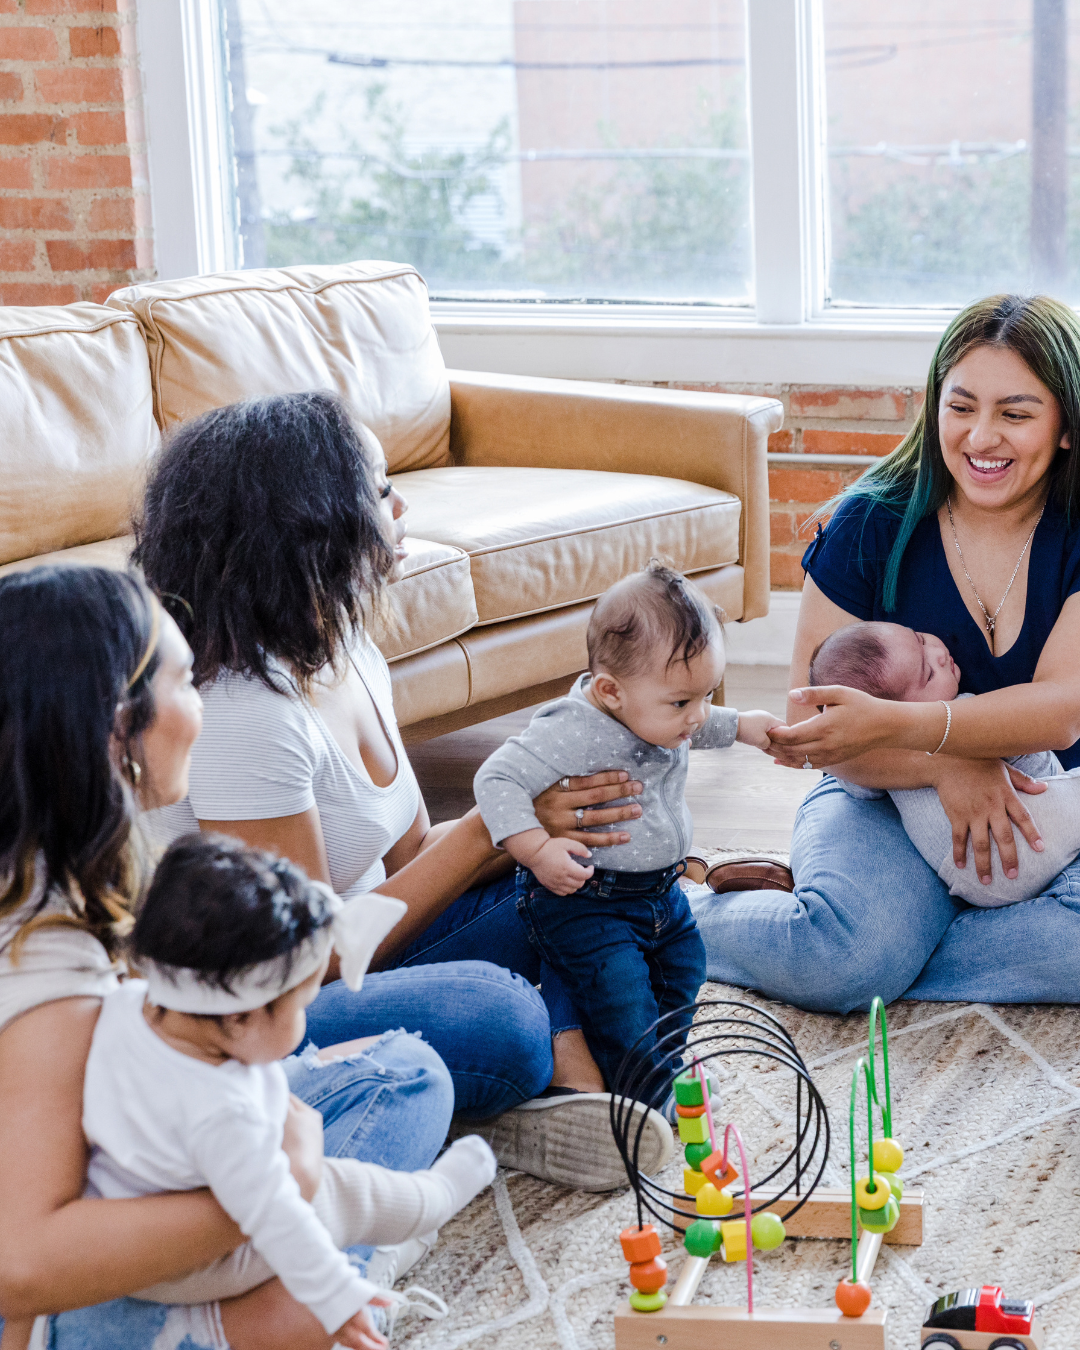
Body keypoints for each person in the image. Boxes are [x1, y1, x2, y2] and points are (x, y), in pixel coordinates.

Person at [134, 390, 672, 1189]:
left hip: (375, 951)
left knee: (607, 891)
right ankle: (505, 1081)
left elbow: (411, 855)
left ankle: (514, 1091)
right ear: (312, 522)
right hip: (271, 1002)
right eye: (379, 487)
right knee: (505, 1017)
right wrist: (490, 830)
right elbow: (300, 965)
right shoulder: (243, 712)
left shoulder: (347, 647)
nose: (401, 503)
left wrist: (533, 818)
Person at [0, 566, 456, 1350]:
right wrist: (280, 1185)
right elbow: (22, 1261)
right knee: (309, 1291)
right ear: (118, 728)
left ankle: (325, 1259)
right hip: (55, 1263)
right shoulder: (50, 969)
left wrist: (280, 1129)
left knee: (407, 1073)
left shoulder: (61, 867)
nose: (203, 709)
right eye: (187, 681)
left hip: (129, 1152)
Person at [694, 292, 1080, 1010]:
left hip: (1062, 805)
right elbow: (809, 724)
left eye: (1016, 414)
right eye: (960, 407)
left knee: (884, 953)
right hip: (881, 792)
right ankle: (667, 919)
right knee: (842, 962)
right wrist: (942, 767)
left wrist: (942, 742)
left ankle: (890, 946)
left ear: (1064, 427)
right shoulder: (872, 521)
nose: (980, 437)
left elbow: (1061, 712)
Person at [83, 833, 497, 1349]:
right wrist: (334, 1295)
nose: (305, 1018)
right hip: (194, 1268)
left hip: (121, 1231)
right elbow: (276, 1215)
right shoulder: (221, 1112)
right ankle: (428, 1204)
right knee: (337, 1191)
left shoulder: (127, 1004)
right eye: (300, 1006)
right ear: (239, 1016)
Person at [473, 561, 780, 1095]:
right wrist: (537, 850)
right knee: (623, 999)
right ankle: (641, 1100)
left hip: (662, 893)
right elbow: (496, 778)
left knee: (684, 971)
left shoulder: (658, 709)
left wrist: (745, 726)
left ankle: (659, 1064)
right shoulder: (575, 729)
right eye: (683, 701)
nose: (697, 715)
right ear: (611, 691)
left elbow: (696, 725)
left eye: (708, 694)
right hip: (590, 903)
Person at [807, 621, 1080, 907]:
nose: (937, 653)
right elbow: (1031, 752)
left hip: (961, 877)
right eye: (928, 674)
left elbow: (858, 787)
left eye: (920, 639)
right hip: (1025, 845)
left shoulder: (875, 764)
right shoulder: (965, 709)